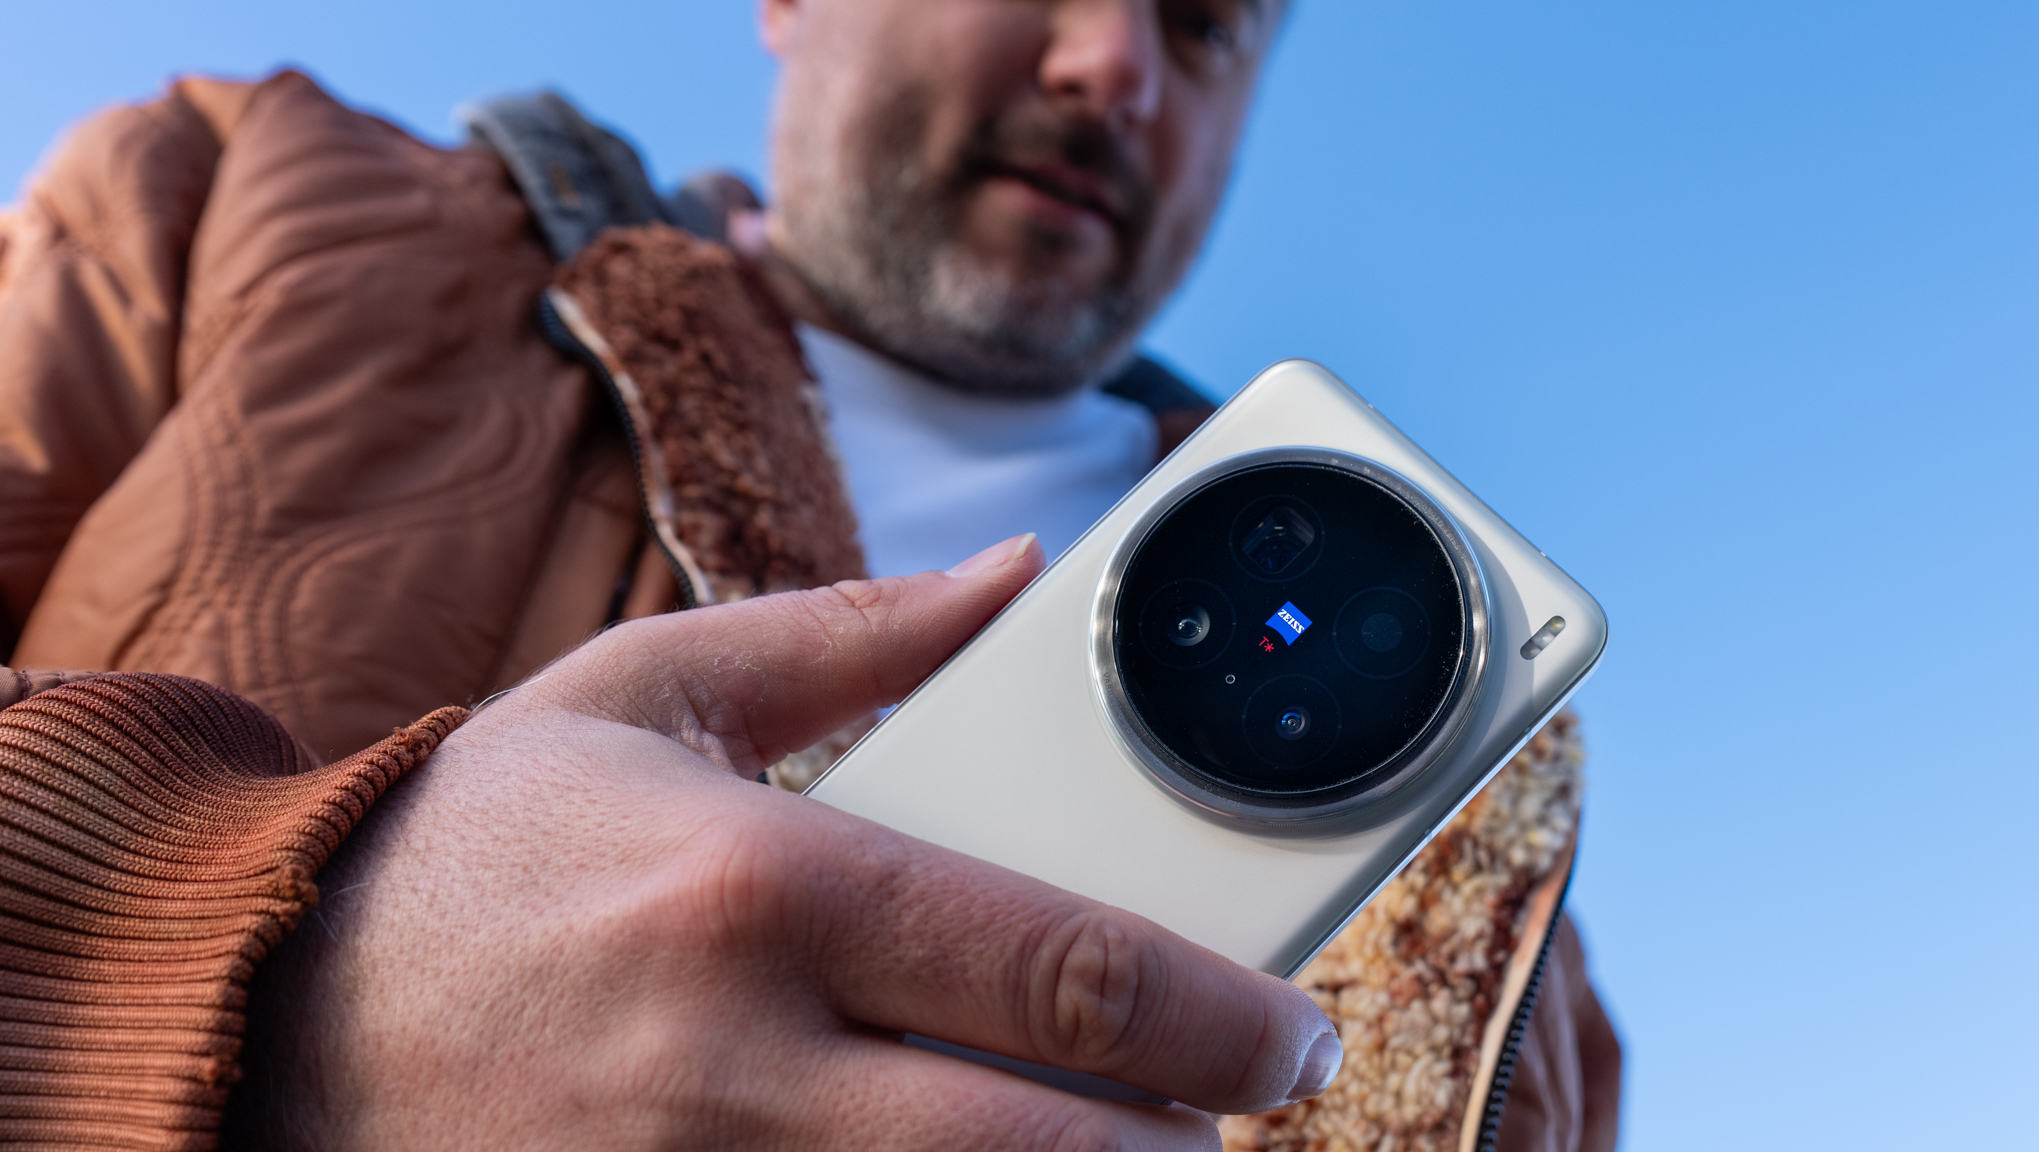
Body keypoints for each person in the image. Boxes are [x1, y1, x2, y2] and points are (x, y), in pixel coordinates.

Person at [0, 0, 1619, 1148]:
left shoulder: (1484, 811)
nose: (1115, 62)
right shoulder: (246, 213)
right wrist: (283, 1001)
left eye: (1205, 24)